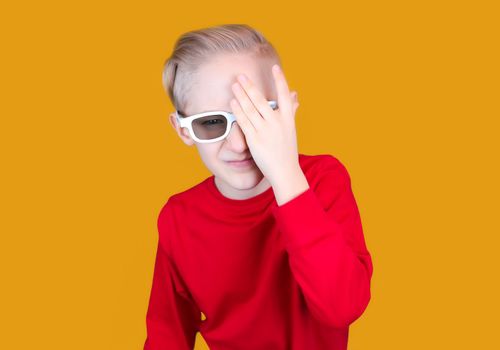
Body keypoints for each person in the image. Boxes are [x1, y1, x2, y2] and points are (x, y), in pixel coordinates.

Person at [143, 23, 373, 350]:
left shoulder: (323, 180)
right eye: (212, 122)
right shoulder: (178, 218)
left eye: (258, 114)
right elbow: (168, 335)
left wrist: (285, 175)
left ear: (287, 110)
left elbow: (343, 307)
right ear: (182, 130)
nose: (239, 144)